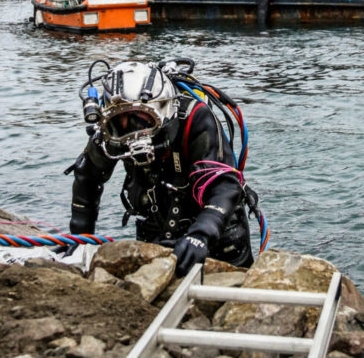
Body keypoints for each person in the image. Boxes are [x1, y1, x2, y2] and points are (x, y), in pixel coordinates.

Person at [65, 58, 255, 276]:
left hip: (218, 232)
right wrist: (79, 240)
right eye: (121, 124)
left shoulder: (195, 117)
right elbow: (87, 177)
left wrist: (202, 234)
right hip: (155, 227)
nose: (132, 134)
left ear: (162, 110)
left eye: (140, 121)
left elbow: (224, 185)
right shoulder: (111, 133)